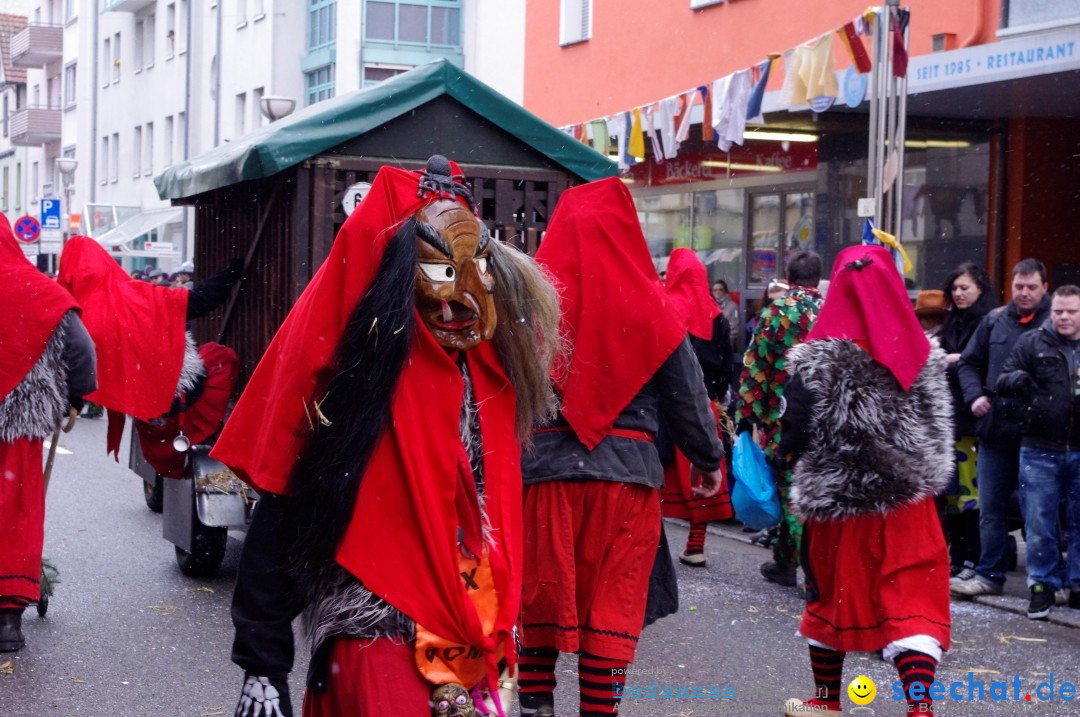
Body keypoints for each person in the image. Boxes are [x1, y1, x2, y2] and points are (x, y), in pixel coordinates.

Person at [211, 156, 562, 716]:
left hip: (474, 635)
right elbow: (286, 500)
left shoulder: (494, 378)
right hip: (380, 636)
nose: (460, 298)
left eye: (474, 272)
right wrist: (262, 661)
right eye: (442, 273)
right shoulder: (359, 382)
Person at [517, 178, 724, 717]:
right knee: (610, 610)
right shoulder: (652, 308)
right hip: (627, 486)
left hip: (543, 478)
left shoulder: (529, 313)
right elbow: (688, 397)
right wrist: (707, 460)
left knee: (539, 603)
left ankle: (536, 708)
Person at [779, 245, 953, 717]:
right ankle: (919, 707)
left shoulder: (814, 361)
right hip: (909, 503)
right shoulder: (925, 354)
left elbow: (793, 433)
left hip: (840, 504)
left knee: (831, 598)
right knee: (912, 600)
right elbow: (938, 426)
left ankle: (828, 701)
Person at [0, 217, 97, 652]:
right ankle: (6, 620)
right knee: (15, 511)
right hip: (19, 425)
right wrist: (74, 397)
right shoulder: (37, 288)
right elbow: (80, 348)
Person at [951, 258, 1052, 598]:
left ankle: (1045, 582)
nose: (1024, 294)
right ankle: (989, 574)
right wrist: (974, 396)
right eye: (1019, 287)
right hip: (995, 430)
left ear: (1044, 288)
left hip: (1039, 434)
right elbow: (968, 362)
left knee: (1038, 514)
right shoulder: (995, 321)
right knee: (990, 510)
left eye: (1031, 288)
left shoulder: (1058, 322)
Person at [736, 253, 823, 587]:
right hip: (821, 417)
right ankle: (785, 561)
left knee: (788, 489)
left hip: (782, 415)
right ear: (818, 277)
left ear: (788, 275)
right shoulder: (830, 309)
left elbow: (755, 366)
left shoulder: (776, 312)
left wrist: (747, 417)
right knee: (807, 490)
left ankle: (810, 572)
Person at [996, 284, 1080, 619]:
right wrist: (1019, 381)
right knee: (1039, 521)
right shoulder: (1032, 341)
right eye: (1059, 311)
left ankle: (1077, 585)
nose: (1063, 317)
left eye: (1071, 311)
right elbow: (1002, 380)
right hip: (1039, 447)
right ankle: (1041, 587)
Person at [661, 248, 734, 567]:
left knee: (662, 480)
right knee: (702, 478)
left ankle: (653, 545)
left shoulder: (664, 307)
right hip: (706, 405)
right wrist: (715, 395)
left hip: (667, 405)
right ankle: (696, 544)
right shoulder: (717, 315)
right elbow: (727, 363)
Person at [939, 263, 995, 581]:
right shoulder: (954, 321)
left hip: (971, 423)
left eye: (965, 288)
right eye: (955, 289)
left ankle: (970, 558)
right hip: (951, 418)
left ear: (980, 290)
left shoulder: (987, 321)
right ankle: (957, 556)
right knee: (952, 496)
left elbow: (978, 361)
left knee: (970, 497)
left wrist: (954, 360)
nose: (959, 294)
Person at [712, 279, 742, 352]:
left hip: (726, 345)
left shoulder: (732, 306)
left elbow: (735, 328)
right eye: (715, 290)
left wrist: (726, 342)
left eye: (720, 290)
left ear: (725, 291)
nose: (717, 292)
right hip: (712, 346)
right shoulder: (710, 305)